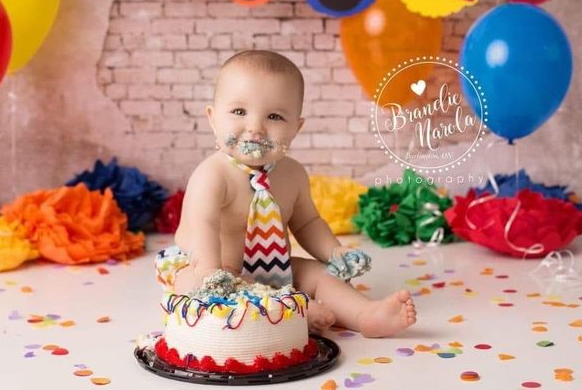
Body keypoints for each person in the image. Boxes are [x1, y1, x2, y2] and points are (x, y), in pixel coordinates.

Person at [156, 50, 416, 336]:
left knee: (320, 275)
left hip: (272, 269)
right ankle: (294, 312)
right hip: (211, 266)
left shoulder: (292, 174)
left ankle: (365, 314)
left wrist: (334, 251)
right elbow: (201, 226)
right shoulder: (212, 175)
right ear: (213, 118)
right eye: (239, 112)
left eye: (275, 116)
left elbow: (307, 223)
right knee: (199, 290)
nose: (255, 128)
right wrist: (209, 271)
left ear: (296, 127)